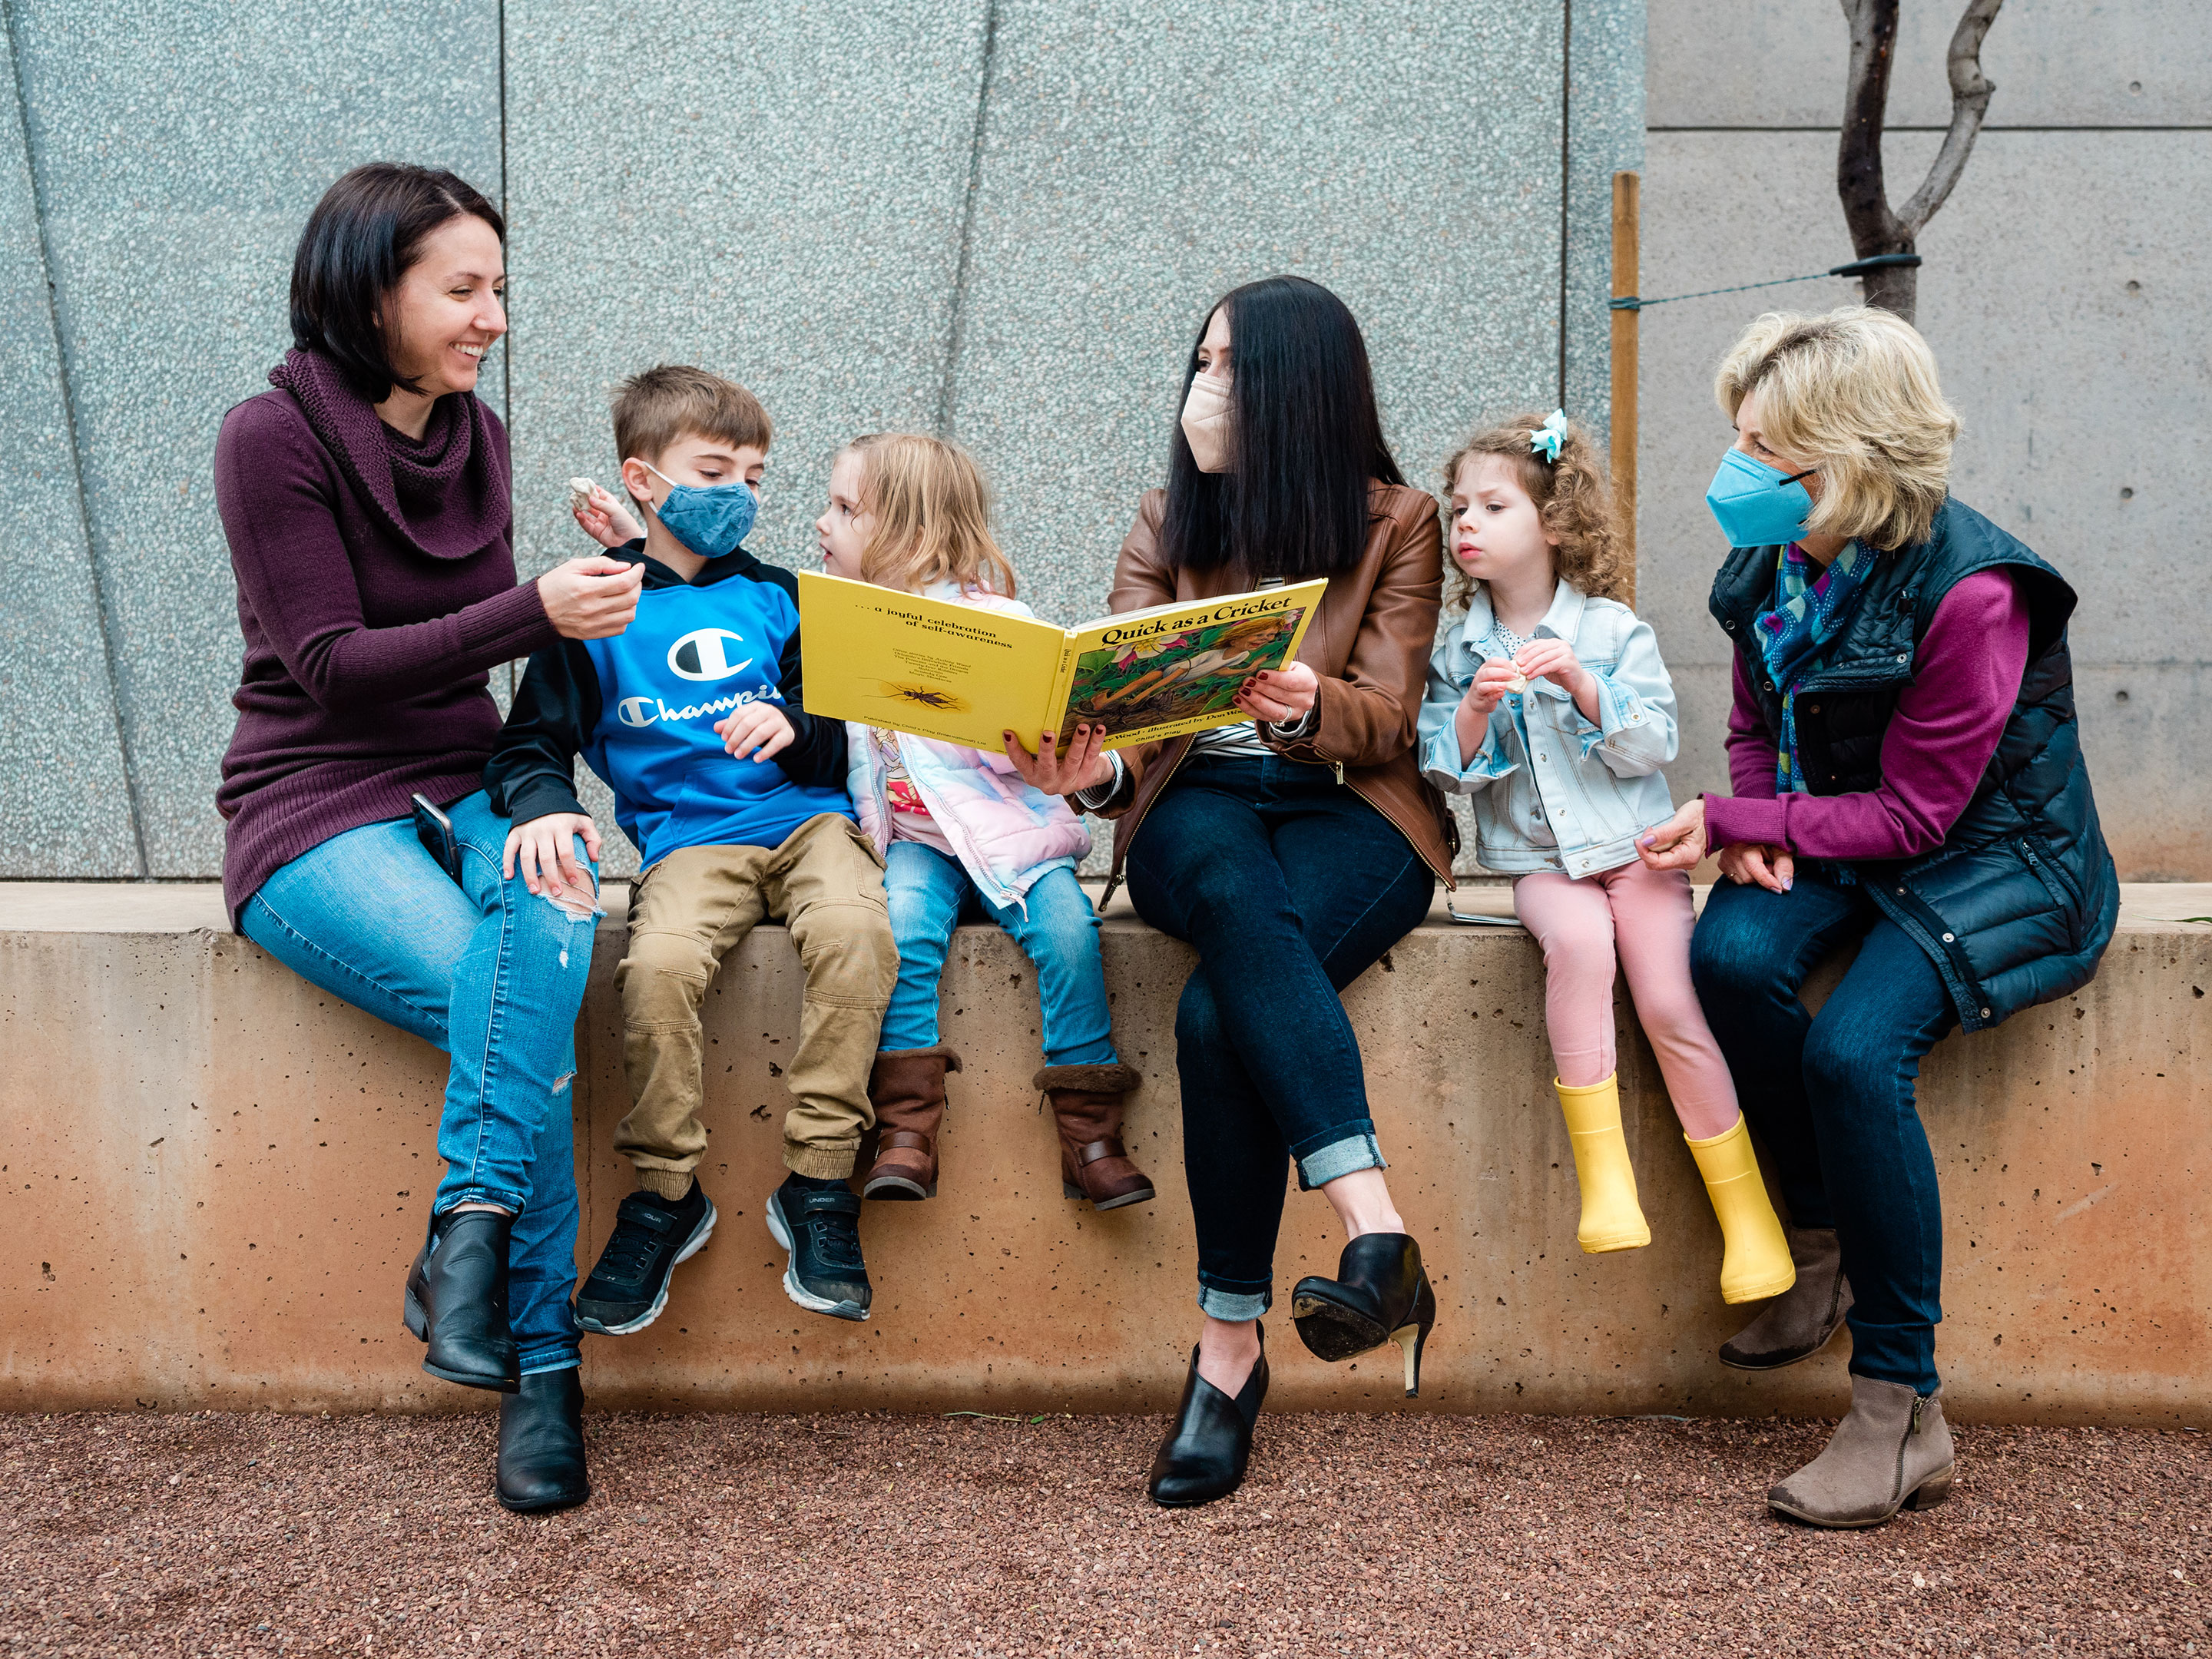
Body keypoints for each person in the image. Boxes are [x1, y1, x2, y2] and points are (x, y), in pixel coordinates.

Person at [1638, 306, 2118, 1528]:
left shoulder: (1976, 597)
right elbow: (1757, 721)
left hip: (2003, 857)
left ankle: (1901, 1410)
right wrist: (1754, 821)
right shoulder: (1772, 563)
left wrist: (1755, 822)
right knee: (1729, 958)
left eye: (1766, 453)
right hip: (1848, 831)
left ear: (1852, 459)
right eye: (1738, 440)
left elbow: (1917, 816)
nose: (1735, 474)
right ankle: (1821, 1245)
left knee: (1857, 1052)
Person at [217, 162, 644, 1513]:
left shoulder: (483, 435)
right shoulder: (268, 439)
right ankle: (545, 1367)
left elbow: (478, 687)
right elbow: (338, 666)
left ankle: (467, 1241)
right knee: (512, 996)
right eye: (463, 290)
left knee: (554, 925)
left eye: (498, 288)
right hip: (311, 800)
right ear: (372, 291)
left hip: (467, 783)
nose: (492, 319)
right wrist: (535, 610)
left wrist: (538, 781)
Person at [1003, 275, 1456, 1507]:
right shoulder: (1166, 523)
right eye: (1196, 366)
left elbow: (1390, 718)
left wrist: (1310, 704)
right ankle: (1375, 1229)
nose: (1203, 391)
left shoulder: (1398, 522)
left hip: (1349, 811)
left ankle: (1228, 1350)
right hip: (1195, 807)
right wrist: (1091, 778)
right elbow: (1129, 720)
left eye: (1228, 369)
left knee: (1216, 1018)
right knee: (1219, 876)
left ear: (1298, 390)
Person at [483, 365, 899, 1332]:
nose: (739, 496)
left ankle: (820, 1184)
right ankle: (667, 1195)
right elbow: (528, 745)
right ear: (642, 477)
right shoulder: (594, 611)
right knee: (658, 966)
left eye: (755, 476)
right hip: (686, 846)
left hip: (809, 826)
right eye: (714, 470)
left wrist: (799, 726)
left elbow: (862, 735)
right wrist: (545, 804)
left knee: (855, 934)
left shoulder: (788, 599)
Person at [1417, 411, 1795, 1303]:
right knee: (1581, 948)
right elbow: (1448, 770)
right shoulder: (1457, 648)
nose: (1465, 522)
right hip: (1544, 866)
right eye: (1458, 506)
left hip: (1640, 854)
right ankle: (1608, 1184)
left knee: (1670, 1000)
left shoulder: (1615, 630)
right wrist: (1475, 707)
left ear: (1552, 523)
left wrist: (1585, 687)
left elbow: (1655, 745)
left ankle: (1749, 1224)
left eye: (1493, 505)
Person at [819, 432, 1154, 1210]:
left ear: (907, 530)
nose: (822, 523)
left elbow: (1023, 756)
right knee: (900, 928)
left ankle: (1091, 1134)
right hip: (915, 844)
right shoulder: (839, 620)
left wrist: (1028, 736)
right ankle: (906, 1127)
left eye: (843, 508)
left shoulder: (994, 619)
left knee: (1070, 936)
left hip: (1011, 838)